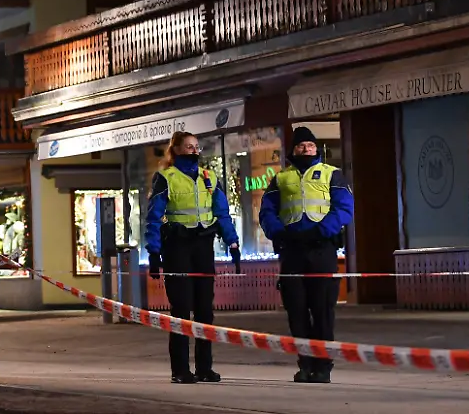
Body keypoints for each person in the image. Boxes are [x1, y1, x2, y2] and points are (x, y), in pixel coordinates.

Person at [259, 126, 354, 384]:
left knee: (323, 310)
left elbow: (344, 209)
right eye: (301, 145)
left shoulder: (332, 174)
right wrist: (280, 233)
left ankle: (323, 366)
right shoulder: (280, 179)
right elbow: (266, 211)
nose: (306, 149)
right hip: (292, 250)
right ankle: (305, 364)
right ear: (293, 149)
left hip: (321, 248)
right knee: (297, 311)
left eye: (310, 145)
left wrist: (322, 231)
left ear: (316, 148)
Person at [145, 131, 240, 384]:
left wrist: (233, 243)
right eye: (188, 146)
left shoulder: (209, 177)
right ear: (175, 150)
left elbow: (222, 214)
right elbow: (153, 218)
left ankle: (205, 367)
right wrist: (154, 253)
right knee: (181, 309)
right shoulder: (166, 177)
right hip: (177, 247)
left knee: (205, 311)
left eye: (196, 147)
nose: (194, 151)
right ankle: (180, 369)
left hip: (202, 246)